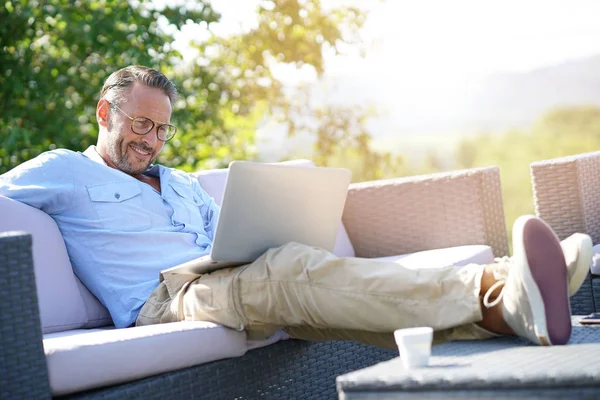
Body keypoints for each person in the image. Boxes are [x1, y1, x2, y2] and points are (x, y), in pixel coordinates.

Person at [0, 65, 593, 349]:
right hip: (165, 301)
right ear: (105, 114)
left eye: (161, 128)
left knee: (311, 287)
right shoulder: (61, 172)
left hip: (225, 275)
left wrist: (247, 247)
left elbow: (220, 240)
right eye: (139, 123)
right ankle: (501, 284)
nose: (149, 139)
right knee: (290, 271)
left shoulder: (180, 182)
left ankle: (508, 311)